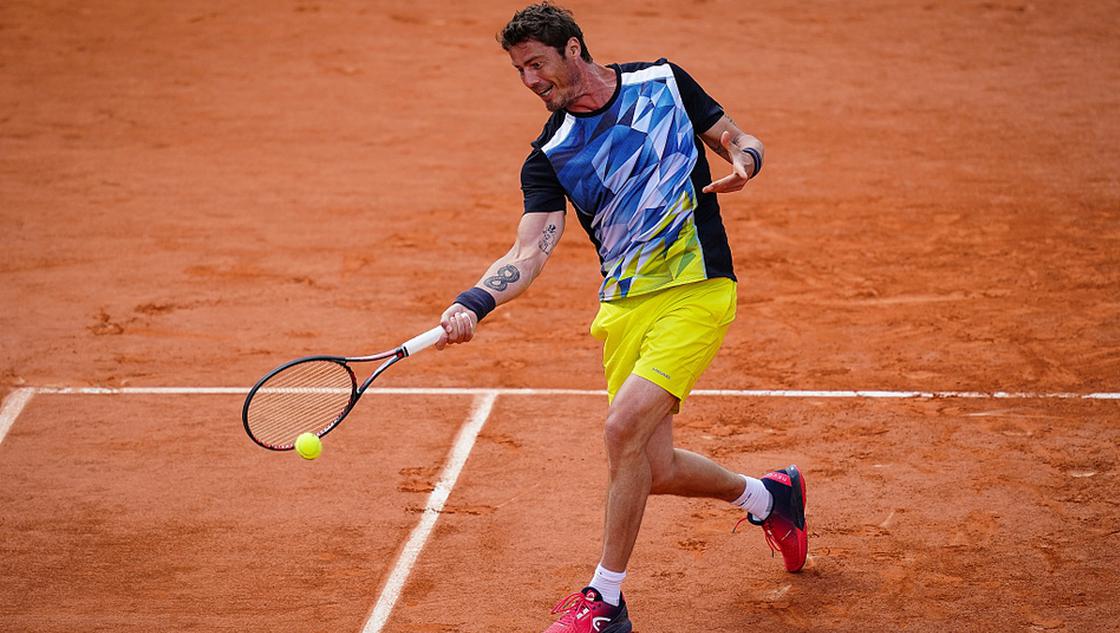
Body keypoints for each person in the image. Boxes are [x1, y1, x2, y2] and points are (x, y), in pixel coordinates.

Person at [435, 4, 807, 632]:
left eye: (537, 64)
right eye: (519, 71)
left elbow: (739, 139)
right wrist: (473, 301)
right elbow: (529, 252)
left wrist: (746, 162)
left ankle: (605, 600)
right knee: (653, 467)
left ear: (573, 48)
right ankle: (769, 497)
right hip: (624, 306)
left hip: (697, 287)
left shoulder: (662, 82)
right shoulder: (549, 153)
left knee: (620, 429)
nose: (530, 80)